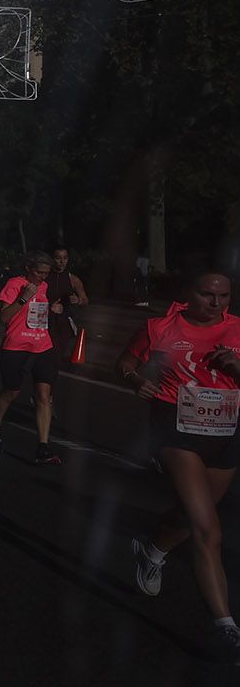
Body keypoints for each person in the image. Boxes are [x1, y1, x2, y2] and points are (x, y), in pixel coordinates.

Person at [120, 269, 240, 664]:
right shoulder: (160, 327)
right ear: (188, 294)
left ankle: (152, 550)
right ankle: (226, 627)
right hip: (175, 429)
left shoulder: (238, 329)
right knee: (208, 528)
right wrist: (135, 379)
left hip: (225, 435)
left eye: (223, 296)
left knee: (192, 519)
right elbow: (123, 363)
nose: (217, 303)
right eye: (208, 295)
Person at [0, 251, 64, 465]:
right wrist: (22, 298)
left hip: (42, 345)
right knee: (12, 392)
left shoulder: (45, 287)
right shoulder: (15, 284)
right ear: (29, 269)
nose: (43, 277)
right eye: (39, 272)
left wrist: (52, 309)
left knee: (44, 395)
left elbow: (37, 312)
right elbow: (4, 317)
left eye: (46, 273)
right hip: (16, 346)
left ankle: (43, 446)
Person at [47, 246, 89, 361]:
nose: (62, 262)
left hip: (63, 323)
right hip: (45, 320)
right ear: (52, 259)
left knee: (56, 356)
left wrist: (78, 300)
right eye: (58, 258)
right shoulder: (44, 275)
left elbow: (85, 300)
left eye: (65, 258)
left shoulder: (73, 279)